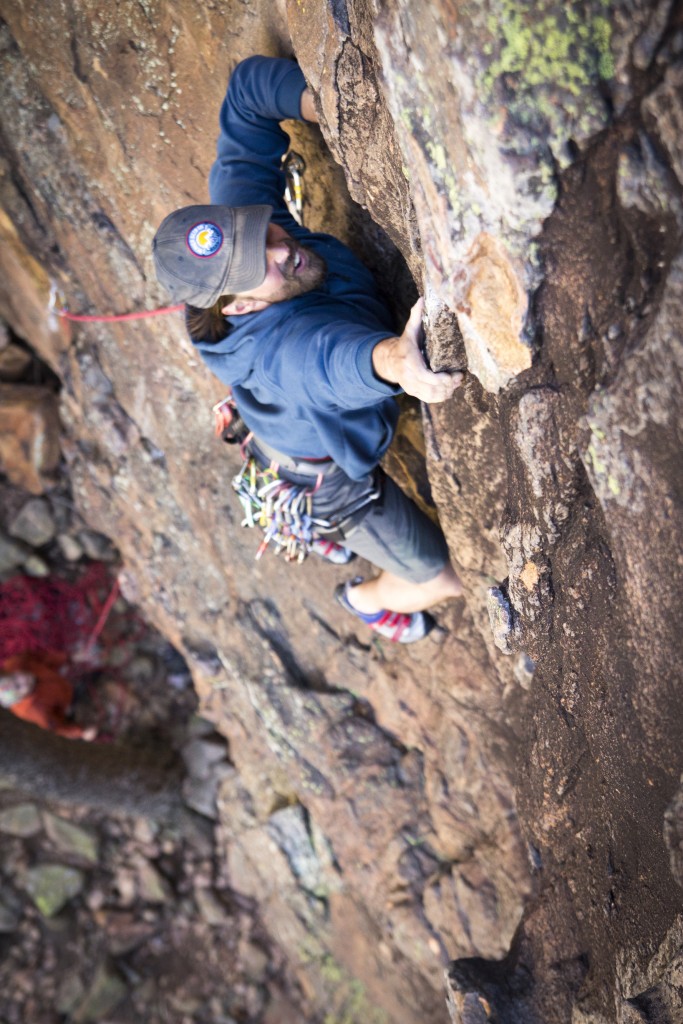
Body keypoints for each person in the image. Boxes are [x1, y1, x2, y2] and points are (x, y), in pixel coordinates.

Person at [153, 56, 463, 643]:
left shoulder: (248, 238)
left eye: (260, 232)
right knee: (441, 577)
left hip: (288, 426)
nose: (279, 249)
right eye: (257, 267)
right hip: (327, 482)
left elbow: (246, 94)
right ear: (238, 308)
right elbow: (324, 362)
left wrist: (331, 110)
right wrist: (395, 363)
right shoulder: (279, 351)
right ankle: (367, 599)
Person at [0, 651, 97, 740]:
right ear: (18, 699)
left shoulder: (18, 663)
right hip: (68, 704)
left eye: (14, 677)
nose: (22, 679)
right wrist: (81, 732)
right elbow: (57, 729)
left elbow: (42, 656)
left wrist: (67, 658)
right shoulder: (34, 712)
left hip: (63, 682)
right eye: (18, 687)